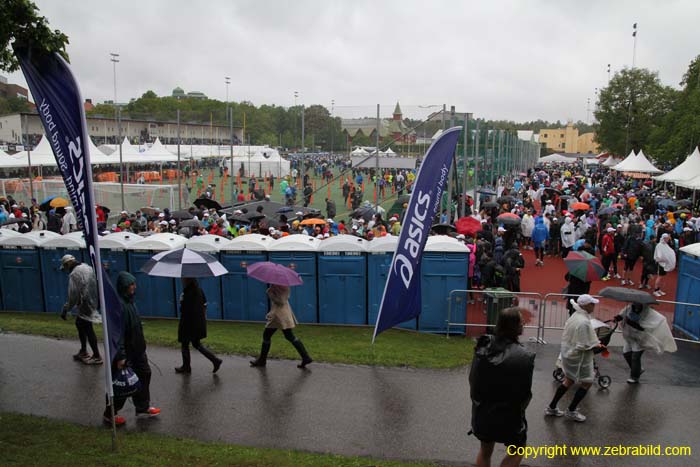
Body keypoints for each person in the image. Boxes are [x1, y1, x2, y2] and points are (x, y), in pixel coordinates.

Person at [469, 307, 535, 467]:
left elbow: (473, 380)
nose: (524, 324)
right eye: (521, 321)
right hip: (510, 416)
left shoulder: (483, 347)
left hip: (483, 412)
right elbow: (525, 392)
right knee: (518, 451)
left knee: (485, 451)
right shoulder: (524, 356)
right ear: (515, 326)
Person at [104, 272, 160, 426]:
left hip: (138, 351)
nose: (134, 287)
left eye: (134, 284)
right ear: (124, 286)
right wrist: (121, 355)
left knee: (144, 374)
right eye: (131, 284)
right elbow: (117, 332)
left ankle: (142, 407)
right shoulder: (119, 305)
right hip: (126, 353)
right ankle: (110, 413)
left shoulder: (131, 302)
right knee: (122, 383)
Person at [545, 294, 604, 423]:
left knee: (568, 380)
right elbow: (583, 345)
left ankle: (552, 407)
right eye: (592, 303)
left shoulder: (576, 316)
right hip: (579, 358)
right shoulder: (583, 321)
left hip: (568, 354)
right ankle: (571, 410)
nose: (594, 306)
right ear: (586, 305)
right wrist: (597, 346)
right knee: (587, 382)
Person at [250, 284, 312, 369]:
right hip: (284, 314)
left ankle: (262, 360)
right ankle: (306, 357)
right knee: (289, 336)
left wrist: (270, 293)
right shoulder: (284, 285)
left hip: (279, 315)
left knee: (267, 336)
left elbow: (281, 301)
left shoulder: (280, 286)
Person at [614, 302, 677, 384]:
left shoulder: (648, 312)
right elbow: (621, 315)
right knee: (626, 354)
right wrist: (616, 318)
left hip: (640, 338)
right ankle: (638, 369)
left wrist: (630, 322)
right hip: (629, 337)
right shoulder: (629, 307)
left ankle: (634, 377)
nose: (636, 305)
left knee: (635, 357)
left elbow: (644, 326)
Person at [60, 255, 102, 365]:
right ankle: (83, 351)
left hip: (86, 304)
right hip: (94, 301)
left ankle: (97, 356)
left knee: (87, 328)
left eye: (65, 267)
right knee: (80, 323)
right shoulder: (86, 267)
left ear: (68, 263)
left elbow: (73, 295)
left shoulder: (74, 274)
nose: (66, 270)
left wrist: (66, 309)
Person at [175, 278, 223, 374]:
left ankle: (186, 367)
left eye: (183, 279)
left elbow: (184, 310)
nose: (182, 281)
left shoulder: (187, 293)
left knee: (185, 343)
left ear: (188, 281)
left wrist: (182, 301)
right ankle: (215, 360)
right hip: (198, 322)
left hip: (188, 323)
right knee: (196, 344)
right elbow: (204, 304)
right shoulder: (199, 290)